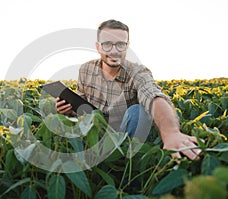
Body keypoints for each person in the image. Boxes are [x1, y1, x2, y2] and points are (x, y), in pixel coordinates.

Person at [56, 19, 201, 161]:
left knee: (138, 111)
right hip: (96, 133)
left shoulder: (138, 72)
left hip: (125, 136)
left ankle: (129, 165)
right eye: (107, 44)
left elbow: (154, 97)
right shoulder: (86, 70)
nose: (114, 51)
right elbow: (84, 106)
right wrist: (71, 110)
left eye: (120, 44)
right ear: (98, 47)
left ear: (127, 46)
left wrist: (171, 133)